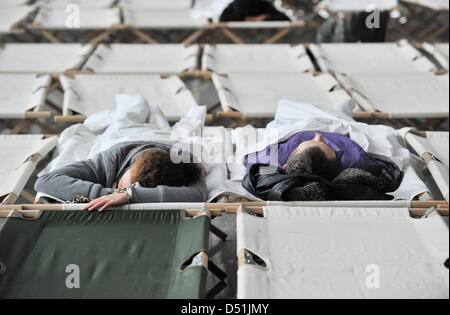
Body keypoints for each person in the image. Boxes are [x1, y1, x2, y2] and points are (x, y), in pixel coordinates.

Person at [35, 141, 206, 211]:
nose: (118, 189)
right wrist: (107, 194)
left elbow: (197, 196)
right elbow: (45, 181)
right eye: (122, 184)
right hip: (125, 136)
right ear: (128, 167)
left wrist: (130, 195)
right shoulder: (109, 160)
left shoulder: (184, 167)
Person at [246, 131, 396, 179]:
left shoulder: (268, 161)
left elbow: (249, 159)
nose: (318, 135)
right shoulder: (358, 163)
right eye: (326, 145)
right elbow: (387, 167)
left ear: (285, 166)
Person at [220, 0, 290, 22]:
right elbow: (222, 19)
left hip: (264, 39)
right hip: (237, 41)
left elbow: (285, 19)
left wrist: (263, 19)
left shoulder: (263, 4)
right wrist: (246, 19)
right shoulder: (235, 4)